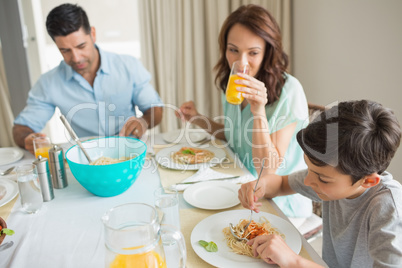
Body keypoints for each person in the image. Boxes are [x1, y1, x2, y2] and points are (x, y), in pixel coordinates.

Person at [176, 4, 311, 218]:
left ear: (267, 51)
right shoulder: (231, 83)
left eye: (253, 52)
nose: (241, 62)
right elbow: (234, 137)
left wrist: (259, 113)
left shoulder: (289, 91)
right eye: (233, 50)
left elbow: (266, 172)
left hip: (279, 205)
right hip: (240, 186)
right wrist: (198, 119)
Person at [239, 100, 402, 267]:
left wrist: (293, 261)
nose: (308, 181)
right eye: (308, 168)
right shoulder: (332, 174)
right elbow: (281, 184)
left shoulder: (388, 209)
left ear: (368, 181)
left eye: (322, 179)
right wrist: (259, 186)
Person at [13, 3, 163, 154]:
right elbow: (21, 128)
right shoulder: (49, 83)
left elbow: (155, 110)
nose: (76, 58)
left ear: (93, 34)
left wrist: (143, 121)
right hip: (87, 159)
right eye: (65, 51)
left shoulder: (129, 66)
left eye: (81, 46)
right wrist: (28, 139)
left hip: (131, 152)